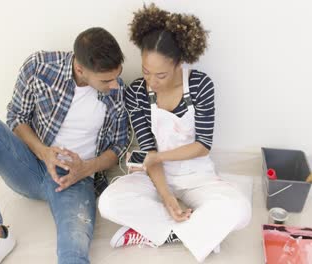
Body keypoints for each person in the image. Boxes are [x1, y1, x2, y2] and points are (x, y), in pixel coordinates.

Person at [0, 27, 129, 264]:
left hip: (76, 180)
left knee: (73, 252)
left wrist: (86, 169)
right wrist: (43, 152)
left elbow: (118, 147)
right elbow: (16, 117)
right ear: (80, 69)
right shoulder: (40, 67)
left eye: (116, 76)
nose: (115, 85)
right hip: (29, 165)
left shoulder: (116, 93)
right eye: (106, 80)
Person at [98, 4, 251, 263]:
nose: (151, 82)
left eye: (160, 75)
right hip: (156, 177)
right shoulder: (136, 92)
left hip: (197, 175)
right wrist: (168, 197)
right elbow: (149, 150)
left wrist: (158, 158)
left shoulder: (201, 85)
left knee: (241, 211)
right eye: (146, 72)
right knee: (108, 203)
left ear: (180, 63)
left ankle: (154, 232)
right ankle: (198, 234)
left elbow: (203, 145)